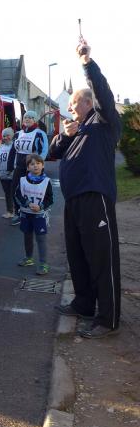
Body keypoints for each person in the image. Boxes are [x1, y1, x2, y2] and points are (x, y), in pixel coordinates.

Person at [51, 39, 122, 339]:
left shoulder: (104, 122)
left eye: (73, 103)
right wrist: (64, 136)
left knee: (102, 258)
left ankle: (108, 318)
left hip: (95, 198)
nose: (69, 108)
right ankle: (83, 304)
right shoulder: (77, 129)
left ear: (88, 103)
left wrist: (86, 64)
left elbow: (103, 93)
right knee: (77, 255)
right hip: (74, 202)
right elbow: (52, 154)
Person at [7, 110, 49, 225]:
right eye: (25, 117)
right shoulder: (18, 134)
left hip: (32, 168)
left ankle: (35, 212)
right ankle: (18, 213)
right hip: (19, 167)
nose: (27, 119)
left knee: (32, 191)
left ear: (35, 120)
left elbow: (44, 150)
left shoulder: (39, 133)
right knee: (14, 190)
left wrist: (38, 166)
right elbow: (12, 151)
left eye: (30, 117)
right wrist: (9, 166)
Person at [15, 154, 54, 275]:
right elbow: (17, 195)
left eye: (38, 163)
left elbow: (50, 199)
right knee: (27, 236)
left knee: (41, 239)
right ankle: (29, 258)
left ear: (43, 165)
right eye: (32, 164)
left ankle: (43, 263)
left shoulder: (46, 182)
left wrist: (40, 206)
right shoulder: (22, 180)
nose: (35, 166)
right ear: (28, 168)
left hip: (39, 215)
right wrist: (27, 203)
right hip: (26, 214)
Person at [0, 128, 16, 219]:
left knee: (14, 194)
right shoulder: (0, 147)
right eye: (4, 136)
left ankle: (18, 212)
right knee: (7, 194)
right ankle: (10, 211)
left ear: (12, 136)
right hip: (3, 175)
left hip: (13, 174)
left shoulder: (15, 146)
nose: (6, 137)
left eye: (8, 135)